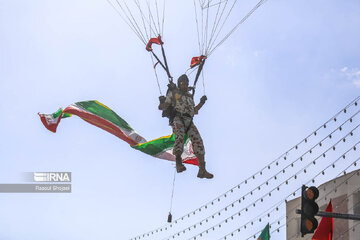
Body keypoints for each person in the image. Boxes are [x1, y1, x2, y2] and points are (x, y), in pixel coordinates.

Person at [158, 74, 213, 179]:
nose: (185, 85)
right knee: (179, 137)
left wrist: (202, 102)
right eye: (183, 83)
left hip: (189, 121)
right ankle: (178, 163)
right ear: (179, 84)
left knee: (199, 142)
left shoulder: (189, 96)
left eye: (187, 83)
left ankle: (202, 169)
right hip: (178, 117)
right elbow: (164, 106)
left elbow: (194, 110)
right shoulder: (174, 93)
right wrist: (161, 103)